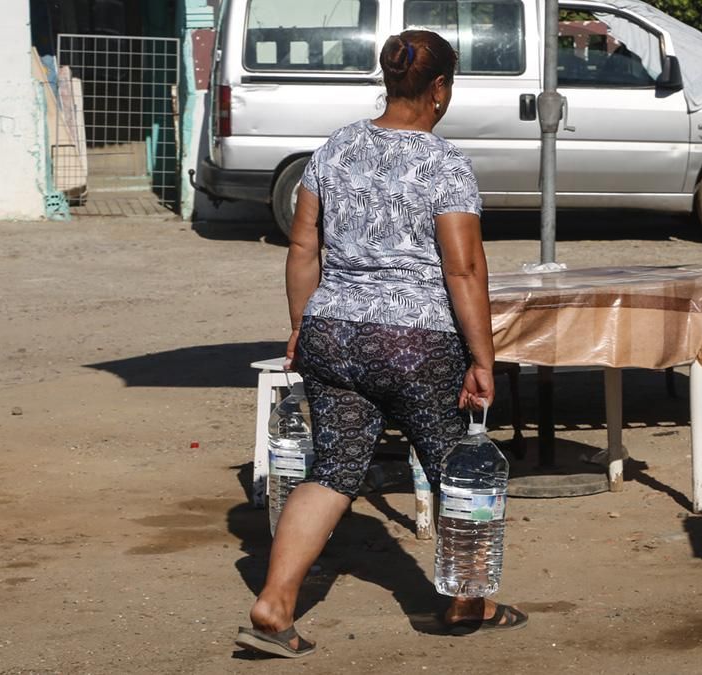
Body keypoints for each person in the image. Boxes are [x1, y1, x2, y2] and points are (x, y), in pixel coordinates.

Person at [235, 30, 527, 659]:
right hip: (416, 342)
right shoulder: (444, 164)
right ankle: (464, 601)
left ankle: (275, 602)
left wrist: (299, 325)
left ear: (388, 78)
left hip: (331, 333)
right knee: (455, 466)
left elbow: (303, 245)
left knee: (335, 468)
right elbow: (464, 269)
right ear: (441, 89)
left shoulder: (335, 149)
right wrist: (483, 357)